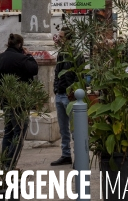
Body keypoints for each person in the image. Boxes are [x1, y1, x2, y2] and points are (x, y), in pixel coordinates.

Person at [0, 33, 38, 168]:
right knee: (19, 132)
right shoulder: (21, 59)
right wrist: (29, 56)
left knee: (8, 131)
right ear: (20, 45)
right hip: (20, 101)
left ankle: (4, 161)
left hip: (4, 100)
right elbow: (34, 70)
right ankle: (9, 163)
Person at [51, 27, 77, 166]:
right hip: (60, 93)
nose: (59, 39)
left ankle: (78, 156)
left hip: (69, 95)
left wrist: (72, 91)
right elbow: (57, 72)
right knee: (63, 128)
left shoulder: (75, 53)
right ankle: (66, 154)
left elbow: (78, 74)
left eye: (61, 37)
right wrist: (56, 88)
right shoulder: (61, 53)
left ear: (68, 38)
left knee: (74, 128)